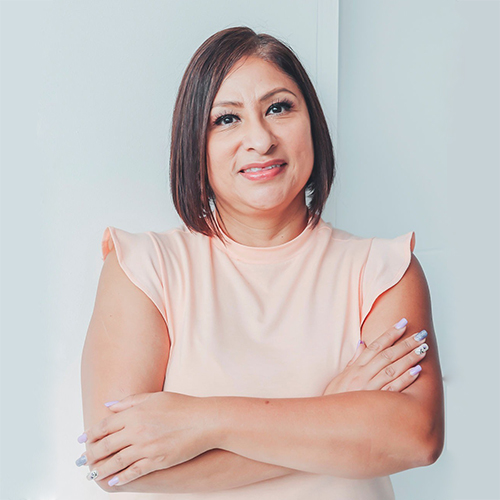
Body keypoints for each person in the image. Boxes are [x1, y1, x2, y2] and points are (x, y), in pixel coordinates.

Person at [77, 26, 444, 499]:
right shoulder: (143, 268)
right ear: (195, 143)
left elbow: (416, 437)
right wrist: (332, 410)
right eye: (226, 119)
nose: (260, 138)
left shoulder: (383, 271)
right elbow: (119, 464)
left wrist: (199, 420)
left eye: (278, 107)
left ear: (311, 121)